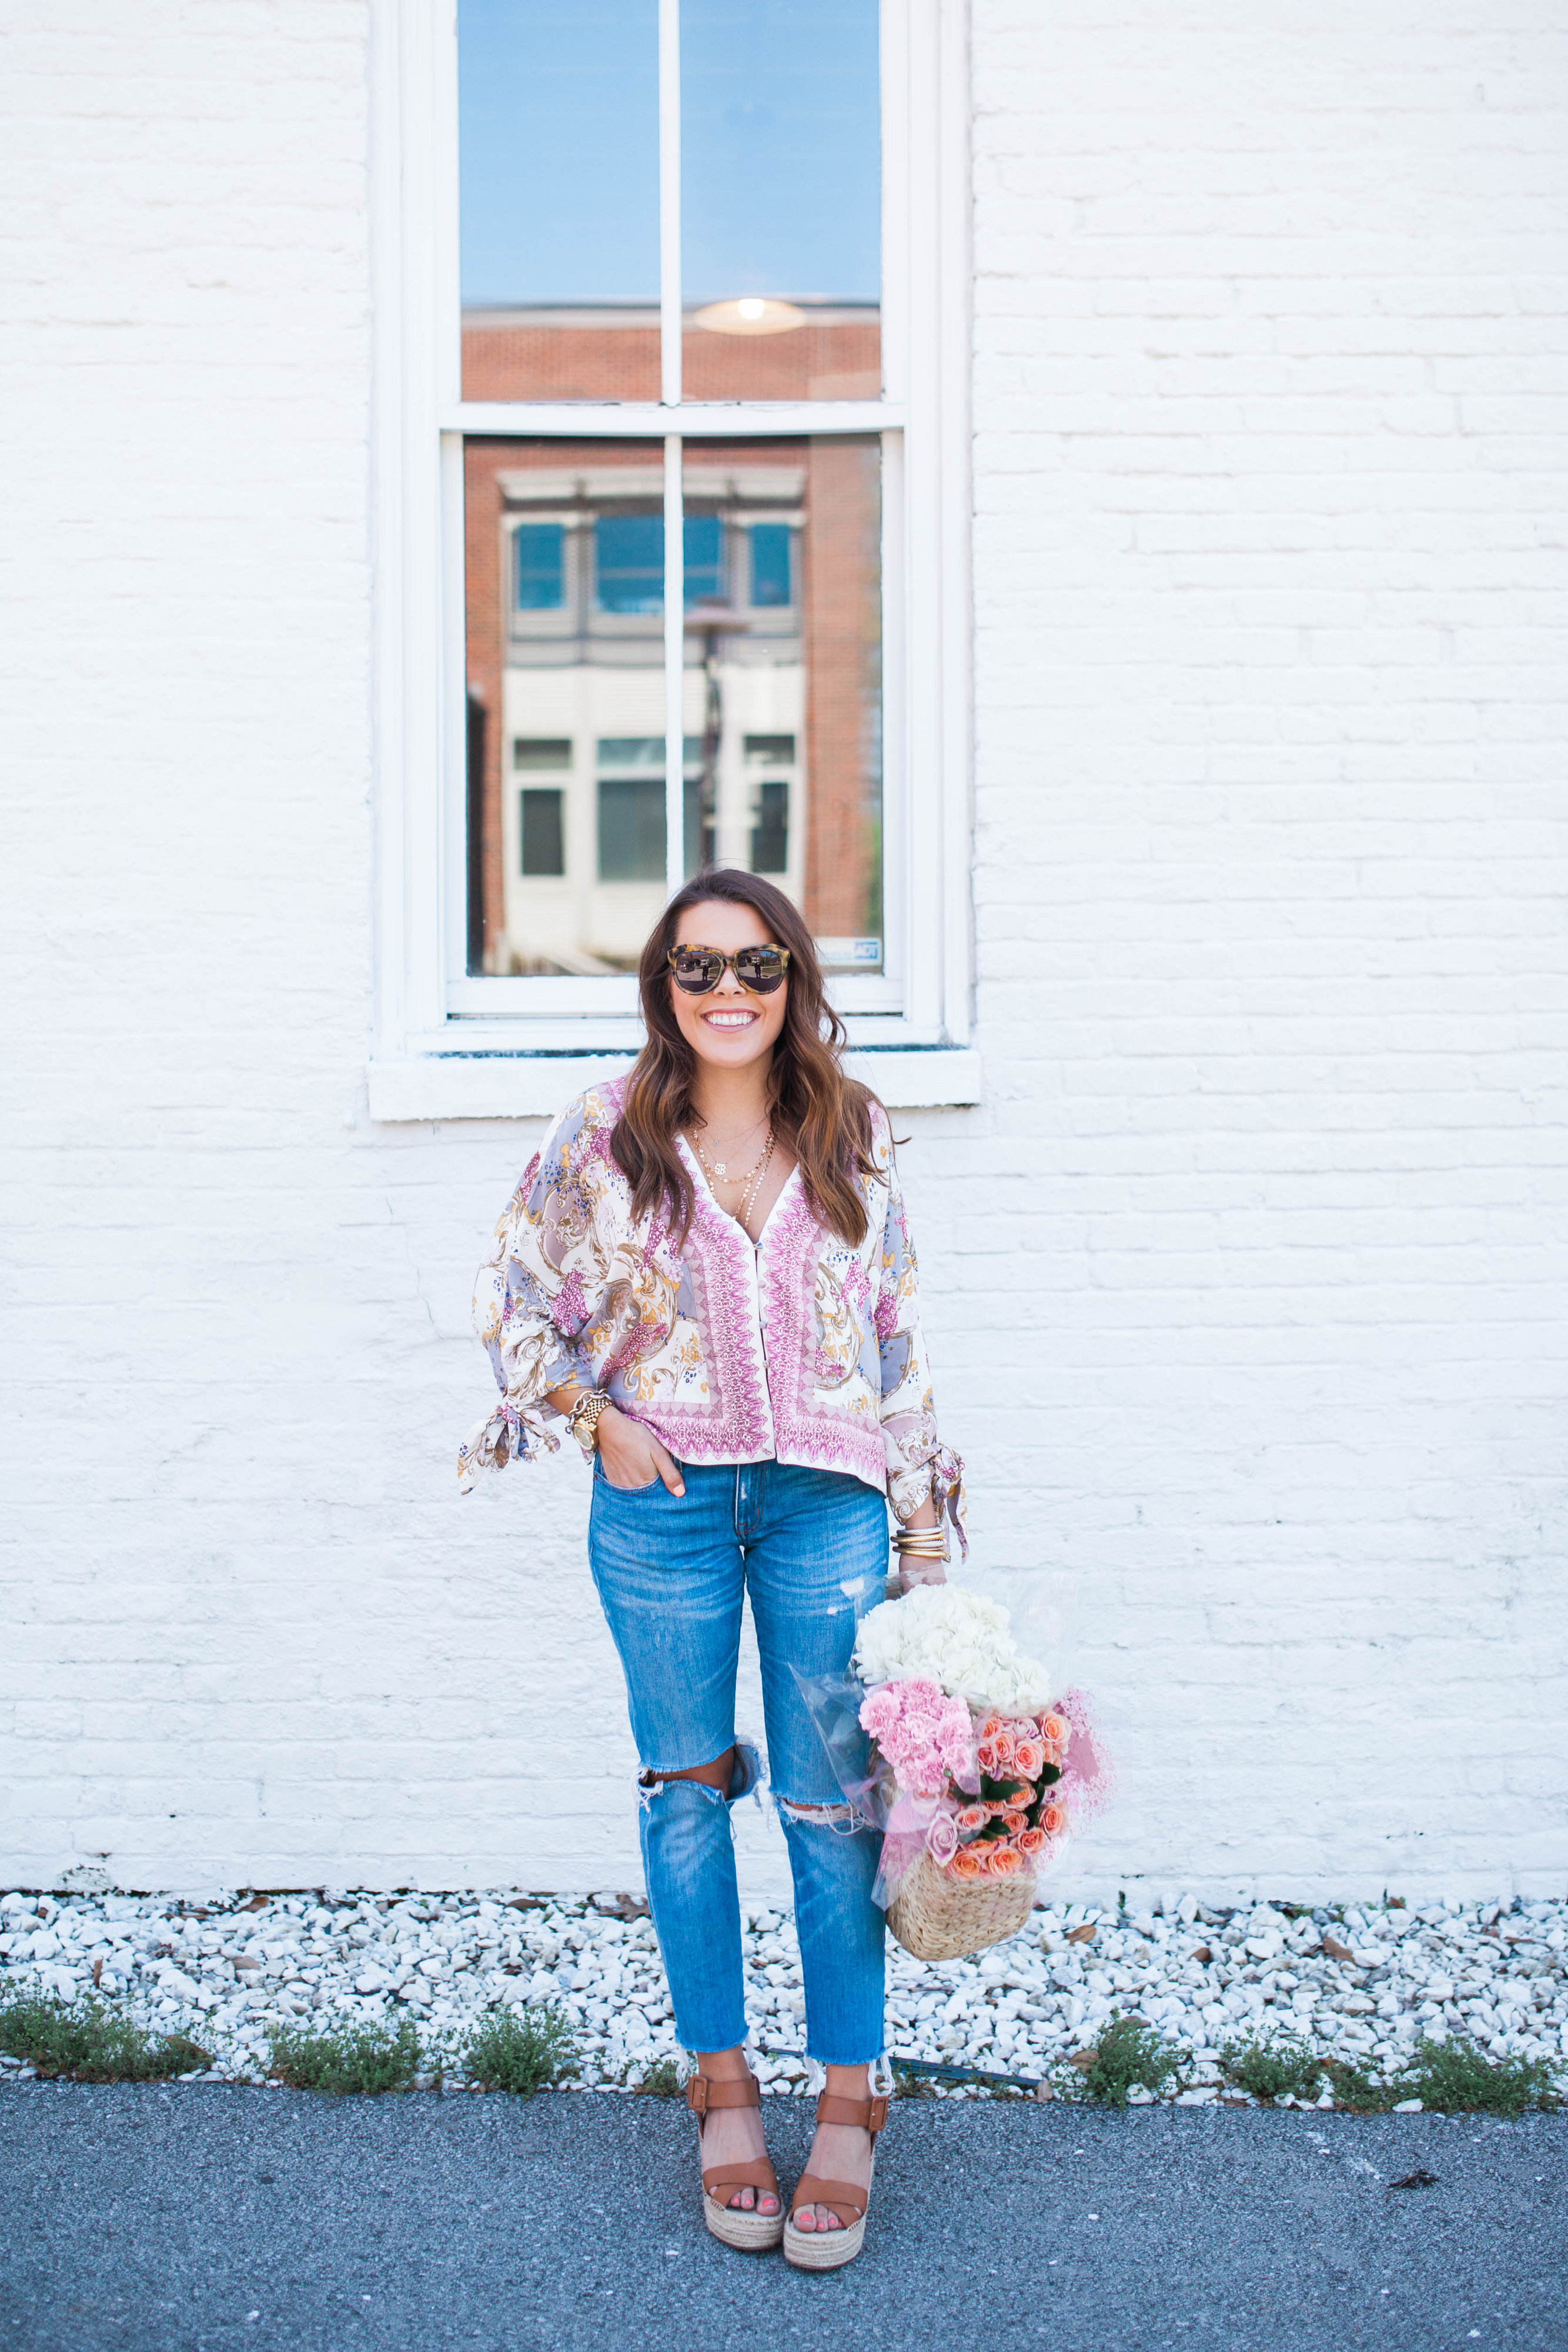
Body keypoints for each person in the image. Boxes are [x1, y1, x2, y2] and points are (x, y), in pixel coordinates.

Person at [460, 868, 962, 2270]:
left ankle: (852, 2093)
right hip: (662, 1506)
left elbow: (897, 1340)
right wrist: (596, 1418)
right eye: (696, 968)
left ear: (793, 980)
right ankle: (722, 2084)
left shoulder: (851, 1130)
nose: (726, 990)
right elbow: (509, 1296)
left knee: (826, 1804)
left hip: (825, 1505)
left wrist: (921, 1531)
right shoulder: (604, 1132)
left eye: (754, 966)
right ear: (661, 987)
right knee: (684, 1794)